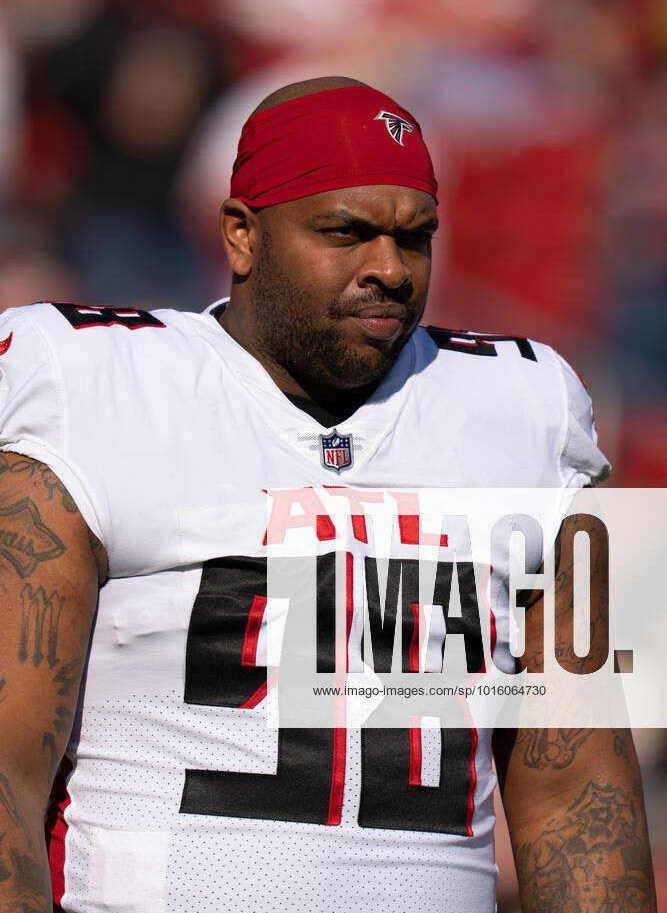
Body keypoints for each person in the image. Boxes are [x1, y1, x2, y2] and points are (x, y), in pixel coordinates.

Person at [0, 76, 655, 912]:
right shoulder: (84, 383)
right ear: (241, 235)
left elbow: (580, 791)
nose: (387, 268)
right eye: (346, 233)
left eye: (414, 238)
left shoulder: (533, 407)